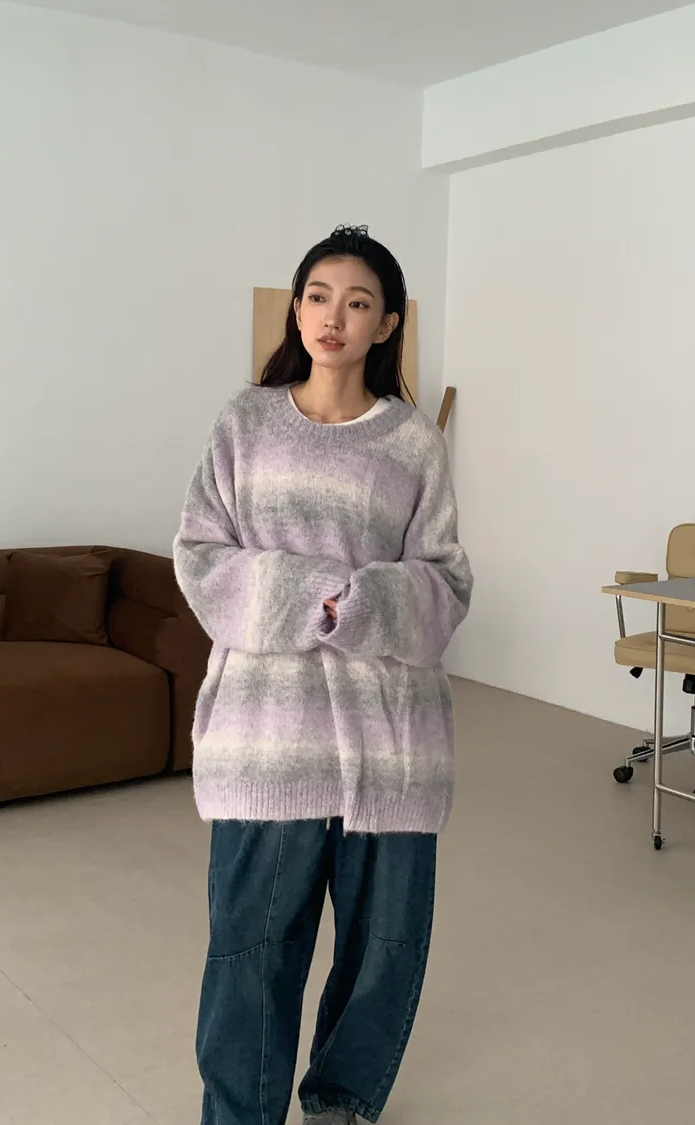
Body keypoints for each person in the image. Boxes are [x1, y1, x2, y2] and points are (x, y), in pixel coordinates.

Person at [173, 224, 473, 1125]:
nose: (332, 316)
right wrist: (314, 595)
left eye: (357, 301)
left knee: (384, 950)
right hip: (270, 737)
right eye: (317, 295)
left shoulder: (413, 443)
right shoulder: (246, 421)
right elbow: (200, 555)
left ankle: (340, 1100)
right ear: (297, 308)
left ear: (387, 324)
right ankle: (241, 1113)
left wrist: (367, 605)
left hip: (393, 744)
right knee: (251, 951)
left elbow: (446, 581)